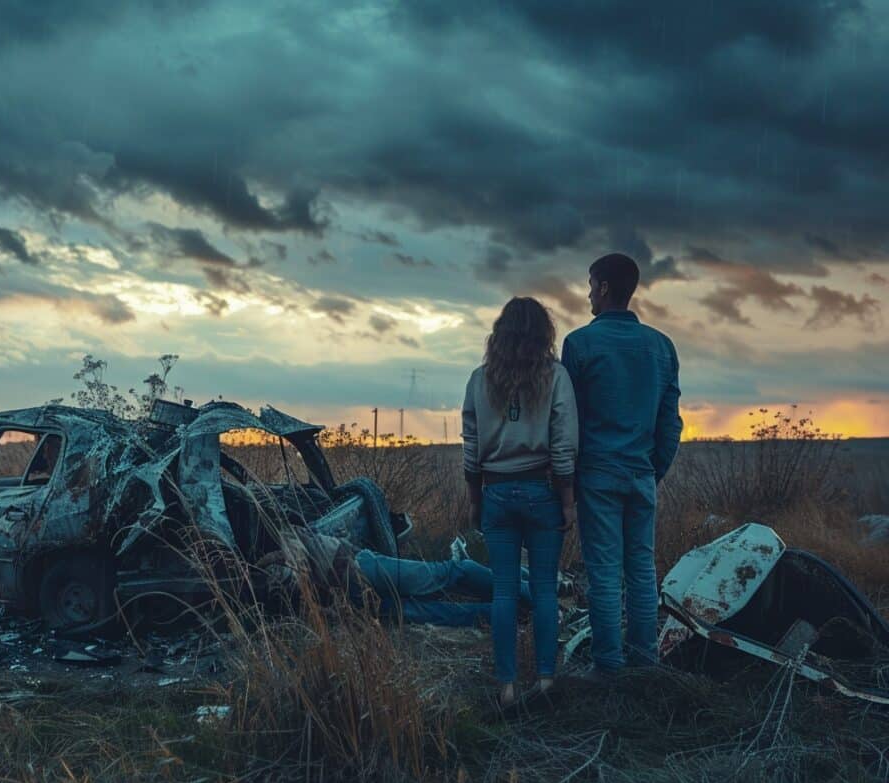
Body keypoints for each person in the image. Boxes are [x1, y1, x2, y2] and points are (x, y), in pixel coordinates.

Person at [560, 253, 682, 677]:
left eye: (591, 284)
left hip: (597, 476)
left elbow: (567, 421)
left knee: (605, 573)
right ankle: (645, 661)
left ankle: (609, 668)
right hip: (641, 475)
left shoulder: (579, 344)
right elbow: (670, 424)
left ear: (605, 287)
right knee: (643, 570)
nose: (588, 292)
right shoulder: (662, 347)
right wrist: (654, 471)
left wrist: (568, 484)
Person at [463, 297, 578, 706]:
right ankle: (546, 682)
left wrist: (475, 500)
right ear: (544, 334)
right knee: (545, 590)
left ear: (500, 333)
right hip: (542, 491)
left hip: (495, 491)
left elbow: (471, 446)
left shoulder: (479, 379)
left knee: (504, 592)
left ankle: (507, 687)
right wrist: (567, 500)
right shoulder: (556, 377)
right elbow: (564, 444)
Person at [258, 528, 537, 627]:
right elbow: (307, 603)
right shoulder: (268, 577)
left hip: (361, 569)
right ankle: (511, 613)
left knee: (448, 574)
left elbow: (298, 569)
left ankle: (532, 595)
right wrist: (331, 610)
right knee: (439, 611)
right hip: (357, 601)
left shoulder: (285, 535)